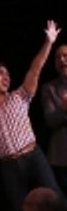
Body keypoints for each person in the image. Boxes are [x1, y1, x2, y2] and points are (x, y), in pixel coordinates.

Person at [0, 20, 63, 211]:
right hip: (9, 166)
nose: (6, 76)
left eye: (8, 73)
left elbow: (35, 68)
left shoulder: (19, 97)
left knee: (55, 199)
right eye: (0, 73)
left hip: (33, 155)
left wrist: (49, 42)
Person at [39, 42, 67, 190]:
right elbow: (50, 120)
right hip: (62, 157)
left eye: (65, 56)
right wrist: (64, 109)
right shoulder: (49, 88)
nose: (62, 60)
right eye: (58, 57)